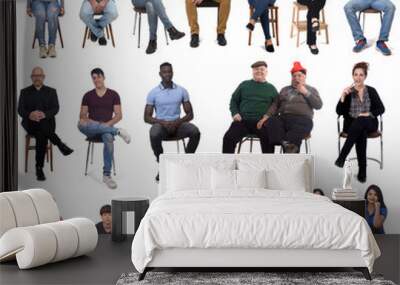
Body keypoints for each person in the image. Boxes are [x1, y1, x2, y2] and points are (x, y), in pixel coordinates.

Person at [144, 62, 201, 182]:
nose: (167, 74)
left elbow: (190, 114)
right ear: (160, 74)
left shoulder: (181, 91)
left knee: (195, 132)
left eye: (169, 71)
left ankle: (186, 163)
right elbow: (147, 117)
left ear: (172, 73)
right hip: (161, 126)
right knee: (153, 133)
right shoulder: (153, 93)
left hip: (178, 125)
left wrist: (177, 122)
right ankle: (162, 165)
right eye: (164, 72)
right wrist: (163, 122)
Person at [78, 68, 131, 189]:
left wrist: (106, 125)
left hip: (107, 128)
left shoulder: (113, 94)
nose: (96, 80)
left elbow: (118, 115)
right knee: (80, 123)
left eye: (98, 77)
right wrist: (96, 124)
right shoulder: (88, 95)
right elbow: (82, 116)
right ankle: (117, 131)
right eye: (94, 78)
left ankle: (106, 175)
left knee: (108, 138)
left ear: (103, 77)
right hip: (91, 129)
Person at [18, 67, 73, 181]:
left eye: (39, 76)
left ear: (43, 77)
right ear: (31, 78)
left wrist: (44, 114)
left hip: (47, 122)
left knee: (41, 132)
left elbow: (55, 108)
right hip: (31, 124)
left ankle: (39, 168)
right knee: (41, 131)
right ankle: (60, 145)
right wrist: (30, 115)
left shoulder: (51, 91)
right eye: (34, 76)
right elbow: (20, 110)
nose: (37, 78)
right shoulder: (24, 92)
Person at [335, 62, 385, 183]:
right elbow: (339, 111)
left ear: (365, 76)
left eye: (361, 75)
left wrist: (368, 114)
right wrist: (342, 96)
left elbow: (381, 108)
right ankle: (362, 172)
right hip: (352, 125)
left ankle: (342, 156)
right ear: (352, 76)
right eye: (355, 74)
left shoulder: (371, 91)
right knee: (360, 132)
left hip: (370, 123)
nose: (358, 77)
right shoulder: (348, 92)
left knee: (362, 120)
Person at [263, 62, 322, 153]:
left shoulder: (311, 89)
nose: (296, 78)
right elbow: (275, 105)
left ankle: (288, 145)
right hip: (283, 118)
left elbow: (318, 105)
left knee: (297, 130)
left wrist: (305, 92)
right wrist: (266, 116)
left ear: (304, 77)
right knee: (271, 121)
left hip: (302, 120)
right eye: (294, 76)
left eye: (299, 75)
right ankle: (286, 144)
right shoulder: (285, 89)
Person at [223, 61, 278, 154]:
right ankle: (227, 164)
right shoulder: (244, 85)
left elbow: (276, 106)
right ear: (252, 71)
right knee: (228, 138)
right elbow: (234, 100)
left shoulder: (271, 88)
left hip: (262, 122)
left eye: (262, 69)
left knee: (269, 138)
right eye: (256, 69)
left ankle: (268, 166)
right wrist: (235, 113)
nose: (259, 71)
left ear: (266, 72)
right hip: (243, 120)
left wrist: (267, 118)